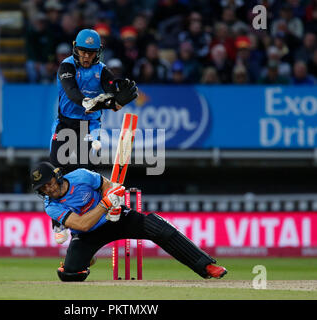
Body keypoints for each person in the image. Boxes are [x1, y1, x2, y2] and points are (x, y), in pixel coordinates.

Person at [31, 161, 228, 282]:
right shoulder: (51, 206)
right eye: (42, 188)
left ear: (57, 176)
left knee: (159, 228)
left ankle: (206, 266)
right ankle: (87, 258)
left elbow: (108, 185)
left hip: (117, 218)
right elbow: (83, 225)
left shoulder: (81, 176)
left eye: (48, 184)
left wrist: (114, 198)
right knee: (70, 274)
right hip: (88, 233)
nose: (48, 190)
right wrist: (106, 205)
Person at [49, 28, 138, 245]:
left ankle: (107, 210)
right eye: (83, 51)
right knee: (57, 170)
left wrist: (116, 96)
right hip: (65, 124)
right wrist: (93, 102)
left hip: (89, 128)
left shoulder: (102, 69)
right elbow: (71, 91)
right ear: (75, 49)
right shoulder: (67, 66)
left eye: (91, 52)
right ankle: (58, 222)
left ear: (98, 52)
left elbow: (111, 87)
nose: (86, 56)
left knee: (84, 177)